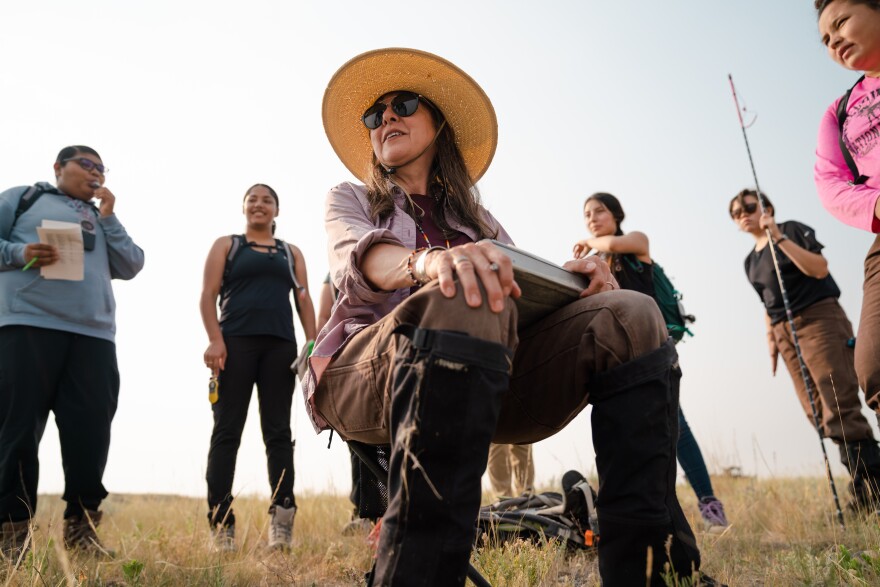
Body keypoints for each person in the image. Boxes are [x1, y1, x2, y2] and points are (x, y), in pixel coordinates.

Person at [305, 48, 708, 586]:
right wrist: (430, 263)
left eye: (403, 103)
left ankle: (655, 571)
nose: (387, 119)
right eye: (374, 116)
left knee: (631, 314)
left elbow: (521, 298)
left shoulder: (478, 220)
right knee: (461, 289)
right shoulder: (349, 198)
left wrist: (576, 285)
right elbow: (362, 261)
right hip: (366, 374)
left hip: (488, 372)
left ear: (439, 124)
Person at [0, 146, 144, 560]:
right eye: (87, 164)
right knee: (17, 430)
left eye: (101, 167)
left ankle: (81, 530)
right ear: (58, 167)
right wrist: (18, 253)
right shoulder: (23, 198)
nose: (96, 172)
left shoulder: (101, 218)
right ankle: (12, 533)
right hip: (28, 326)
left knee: (90, 433)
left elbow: (132, 263)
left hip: (94, 336)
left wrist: (110, 216)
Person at [573, 192, 729, 532]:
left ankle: (710, 506)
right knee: (623, 430)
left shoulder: (635, 244)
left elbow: (619, 242)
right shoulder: (594, 261)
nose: (592, 217)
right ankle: (636, 512)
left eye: (599, 211)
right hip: (614, 357)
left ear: (615, 215)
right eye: (587, 214)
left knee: (676, 429)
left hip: (652, 347)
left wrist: (589, 241)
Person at [729, 189, 880, 509]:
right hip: (785, 332)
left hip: (818, 318)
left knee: (838, 400)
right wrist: (772, 341)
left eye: (749, 206)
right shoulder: (750, 262)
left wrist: (779, 237)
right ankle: (861, 486)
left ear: (766, 208)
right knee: (817, 410)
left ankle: (870, 489)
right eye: (735, 213)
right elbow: (767, 304)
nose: (743, 214)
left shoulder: (792, 230)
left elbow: (819, 268)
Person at [199, 183, 317, 551]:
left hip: (280, 348)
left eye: (267, 200)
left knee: (278, 434)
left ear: (276, 211)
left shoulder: (289, 252)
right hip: (234, 346)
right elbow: (207, 296)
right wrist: (215, 340)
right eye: (253, 199)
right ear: (244, 208)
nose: (259, 205)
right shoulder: (227, 245)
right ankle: (222, 525)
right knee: (226, 432)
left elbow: (303, 297)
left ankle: (282, 520)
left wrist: (313, 343)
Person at [813, 0, 880, 416]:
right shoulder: (838, 113)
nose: (834, 40)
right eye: (824, 39)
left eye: (840, 23)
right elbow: (829, 182)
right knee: (873, 364)